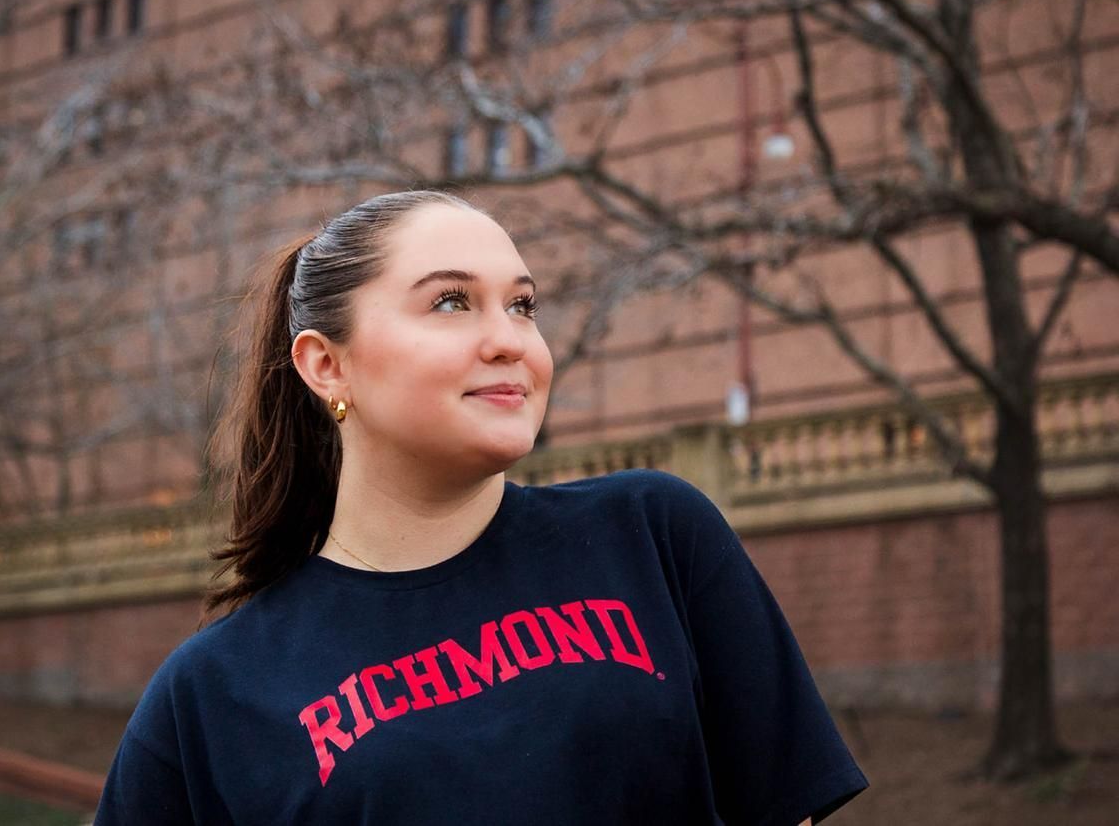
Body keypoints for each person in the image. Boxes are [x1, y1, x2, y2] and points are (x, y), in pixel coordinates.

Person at [94, 190, 868, 825]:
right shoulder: (214, 692)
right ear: (326, 364)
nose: (509, 340)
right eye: (453, 303)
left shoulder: (652, 536)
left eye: (524, 305)